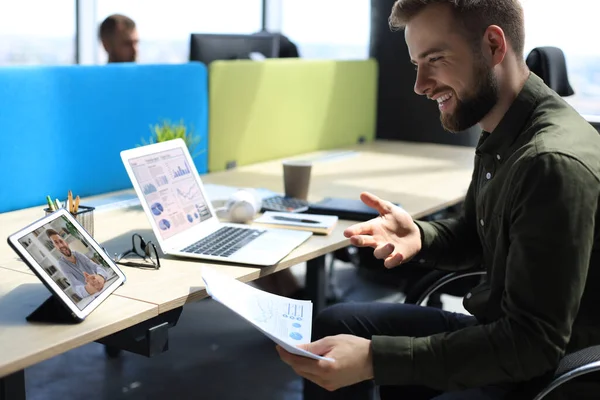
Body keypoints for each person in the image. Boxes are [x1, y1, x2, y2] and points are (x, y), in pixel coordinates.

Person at [276, 0, 600, 399]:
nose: (420, 84)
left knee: (370, 358)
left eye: (436, 59)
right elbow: (476, 232)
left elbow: (532, 345)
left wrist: (380, 359)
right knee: (337, 323)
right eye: (417, 64)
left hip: (537, 373)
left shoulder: (548, 163)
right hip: (502, 335)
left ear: (494, 46)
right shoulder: (503, 125)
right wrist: (421, 236)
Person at [46, 229, 108, 298]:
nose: (61, 245)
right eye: (56, 243)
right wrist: (90, 288)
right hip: (93, 295)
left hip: (103, 285)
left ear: (65, 242)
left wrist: (99, 277)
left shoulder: (77, 254)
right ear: (55, 247)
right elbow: (75, 286)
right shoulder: (61, 264)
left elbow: (96, 267)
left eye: (61, 241)